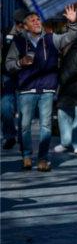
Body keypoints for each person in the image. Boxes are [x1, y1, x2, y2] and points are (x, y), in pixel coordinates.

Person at [5, 5, 77, 171]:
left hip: (47, 90)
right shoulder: (18, 42)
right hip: (26, 90)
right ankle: (26, 156)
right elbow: (8, 65)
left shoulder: (51, 39)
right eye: (32, 20)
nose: (37, 22)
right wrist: (20, 62)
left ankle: (43, 159)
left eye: (38, 19)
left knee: (45, 126)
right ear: (25, 26)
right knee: (24, 126)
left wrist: (73, 23)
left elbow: (71, 36)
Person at [1, 9, 28, 150]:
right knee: (5, 107)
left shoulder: (30, 34)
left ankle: (22, 137)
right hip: (8, 75)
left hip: (24, 76)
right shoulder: (5, 33)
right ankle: (9, 135)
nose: (21, 27)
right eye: (19, 24)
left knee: (24, 109)